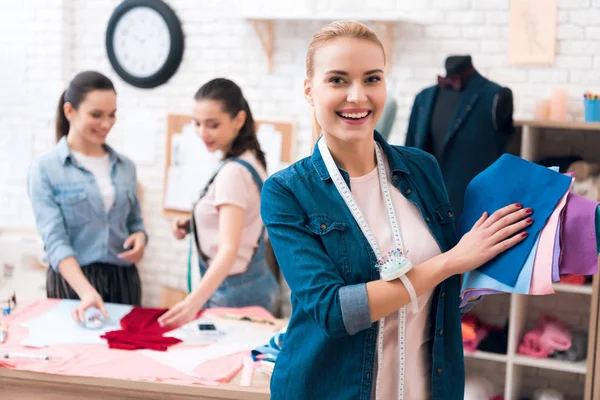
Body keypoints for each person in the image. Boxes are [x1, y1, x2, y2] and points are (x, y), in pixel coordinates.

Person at [260, 21, 533, 400]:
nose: (358, 96)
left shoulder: (422, 168)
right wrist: (452, 262)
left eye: (372, 79)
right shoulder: (287, 192)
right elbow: (334, 312)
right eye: (338, 80)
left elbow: (448, 286)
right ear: (310, 90)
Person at [158, 78, 280, 328]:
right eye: (197, 123)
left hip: (233, 293)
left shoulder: (233, 172)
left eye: (212, 125)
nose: (203, 132)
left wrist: (193, 302)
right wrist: (193, 223)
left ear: (238, 120)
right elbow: (243, 222)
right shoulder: (251, 160)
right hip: (255, 284)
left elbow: (229, 250)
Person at [28, 71, 147, 323]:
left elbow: (134, 222)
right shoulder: (46, 169)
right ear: (69, 111)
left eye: (112, 114)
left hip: (123, 280)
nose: (106, 124)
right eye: (96, 115)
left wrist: (140, 238)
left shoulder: (126, 166)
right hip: (72, 283)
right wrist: (86, 291)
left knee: (121, 358)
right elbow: (55, 240)